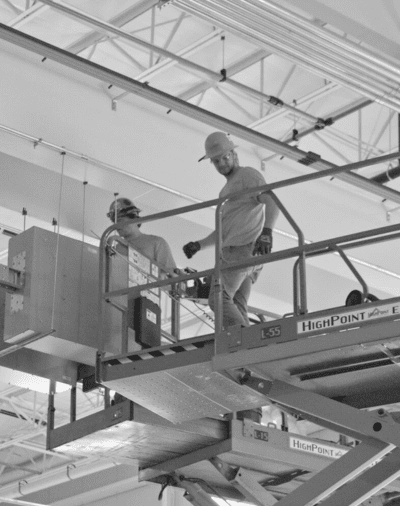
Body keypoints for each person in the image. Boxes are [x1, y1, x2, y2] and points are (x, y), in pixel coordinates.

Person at [183, 131, 279, 330]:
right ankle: (248, 344)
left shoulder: (247, 175)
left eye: (225, 158)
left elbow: (271, 200)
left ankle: (244, 339)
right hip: (247, 255)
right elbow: (222, 233)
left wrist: (267, 231)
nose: (221, 164)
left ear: (234, 154)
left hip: (241, 252)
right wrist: (199, 245)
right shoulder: (226, 191)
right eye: (216, 161)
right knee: (236, 305)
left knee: (217, 299)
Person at [107, 197, 177, 273]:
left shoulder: (156, 242)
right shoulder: (115, 250)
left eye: (120, 221)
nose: (116, 226)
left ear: (134, 219)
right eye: (115, 222)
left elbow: (171, 275)